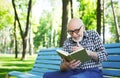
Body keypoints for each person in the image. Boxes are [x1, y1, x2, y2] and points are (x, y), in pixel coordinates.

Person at [43, 18, 107, 78]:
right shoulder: (67, 42)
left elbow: (104, 56)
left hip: (92, 71)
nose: (74, 35)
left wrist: (87, 52)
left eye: (77, 31)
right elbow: (62, 67)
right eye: (70, 32)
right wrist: (66, 65)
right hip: (73, 71)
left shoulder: (93, 34)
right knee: (47, 76)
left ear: (83, 28)